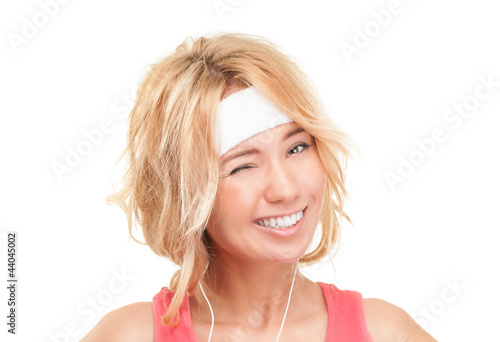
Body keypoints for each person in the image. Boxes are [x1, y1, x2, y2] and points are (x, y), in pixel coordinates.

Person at [81, 33, 437, 341]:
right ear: (186, 195)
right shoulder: (130, 336)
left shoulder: (385, 333)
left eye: (297, 148)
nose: (284, 189)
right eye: (243, 165)